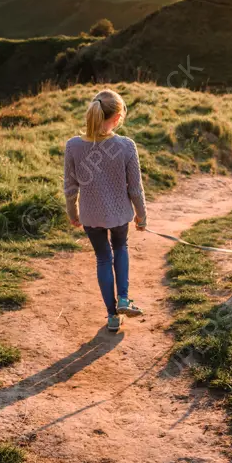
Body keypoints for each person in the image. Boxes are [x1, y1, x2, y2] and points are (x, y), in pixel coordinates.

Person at [63, 89, 147, 332]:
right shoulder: (126, 146)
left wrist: (73, 213)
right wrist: (141, 216)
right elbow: (136, 189)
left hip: (91, 216)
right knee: (120, 247)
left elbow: (70, 187)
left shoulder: (73, 146)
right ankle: (123, 298)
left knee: (103, 258)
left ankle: (112, 316)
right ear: (118, 117)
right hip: (120, 214)